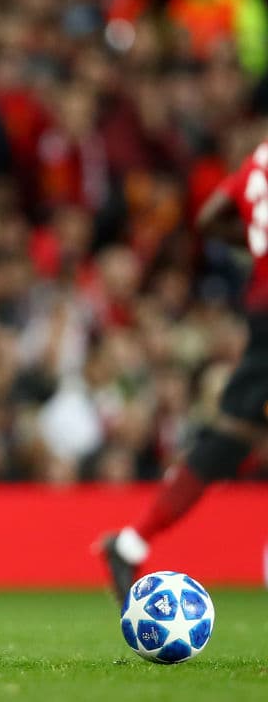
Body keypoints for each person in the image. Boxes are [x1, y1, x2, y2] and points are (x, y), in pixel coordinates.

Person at [100, 140, 268, 603]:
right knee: (235, 433)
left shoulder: (259, 156)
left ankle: (132, 541)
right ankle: (130, 542)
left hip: (262, 308)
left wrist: (257, 244)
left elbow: (211, 217)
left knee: (236, 433)